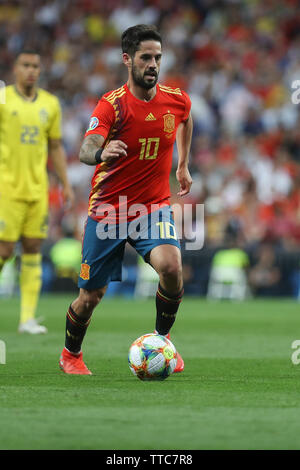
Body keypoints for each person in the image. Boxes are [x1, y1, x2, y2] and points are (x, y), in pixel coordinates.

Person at [59, 24, 193, 375]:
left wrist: (183, 165)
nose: (153, 64)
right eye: (146, 57)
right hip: (109, 211)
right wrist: (102, 151)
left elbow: (186, 119)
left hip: (152, 207)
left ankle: (162, 340)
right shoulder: (111, 105)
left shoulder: (175, 99)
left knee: (172, 269)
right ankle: (71, 354)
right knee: (90, 298)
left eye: (157, 58)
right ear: (127, 59)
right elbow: (86, 149)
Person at [0, 50, 74, 334]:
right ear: (15, 68)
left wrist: (65, 183)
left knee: (32, 248)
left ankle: (27, 318)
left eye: (35, 66)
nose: (31, 70)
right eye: (25, 65)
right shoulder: (3, 98)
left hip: (37, 189)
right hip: (6, 188)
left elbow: (55, 145)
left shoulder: (50, 103)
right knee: (4, 250)